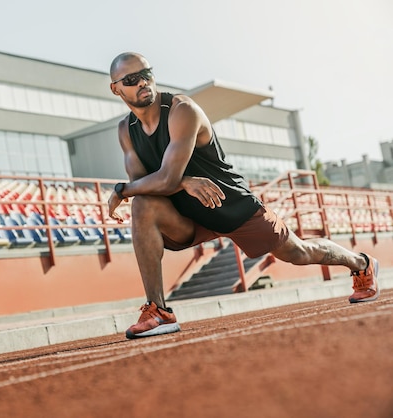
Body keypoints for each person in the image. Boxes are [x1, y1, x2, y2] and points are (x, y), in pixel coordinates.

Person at [107, 52, 380, 340]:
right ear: (116, 88)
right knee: (143, 205)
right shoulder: (126, 130)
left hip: (230, 204)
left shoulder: (181, 110)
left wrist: (121, 191)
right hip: (185, 215)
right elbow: (143, 183)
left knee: (298, 253)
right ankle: (159, 311)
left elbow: (160, 180)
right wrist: (180, 183)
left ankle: (361, 263)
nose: (143, 82)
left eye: (147, 74)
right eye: (132, 79)